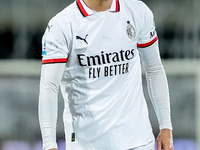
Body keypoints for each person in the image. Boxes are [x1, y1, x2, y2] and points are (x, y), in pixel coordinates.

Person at [38, 0, 174, 150]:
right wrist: (49, 144)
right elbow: (49, 86)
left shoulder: (137, 11)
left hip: (139, 141)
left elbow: (154, 68)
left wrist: (166, 125)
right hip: (87, 144)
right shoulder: (62, 25)